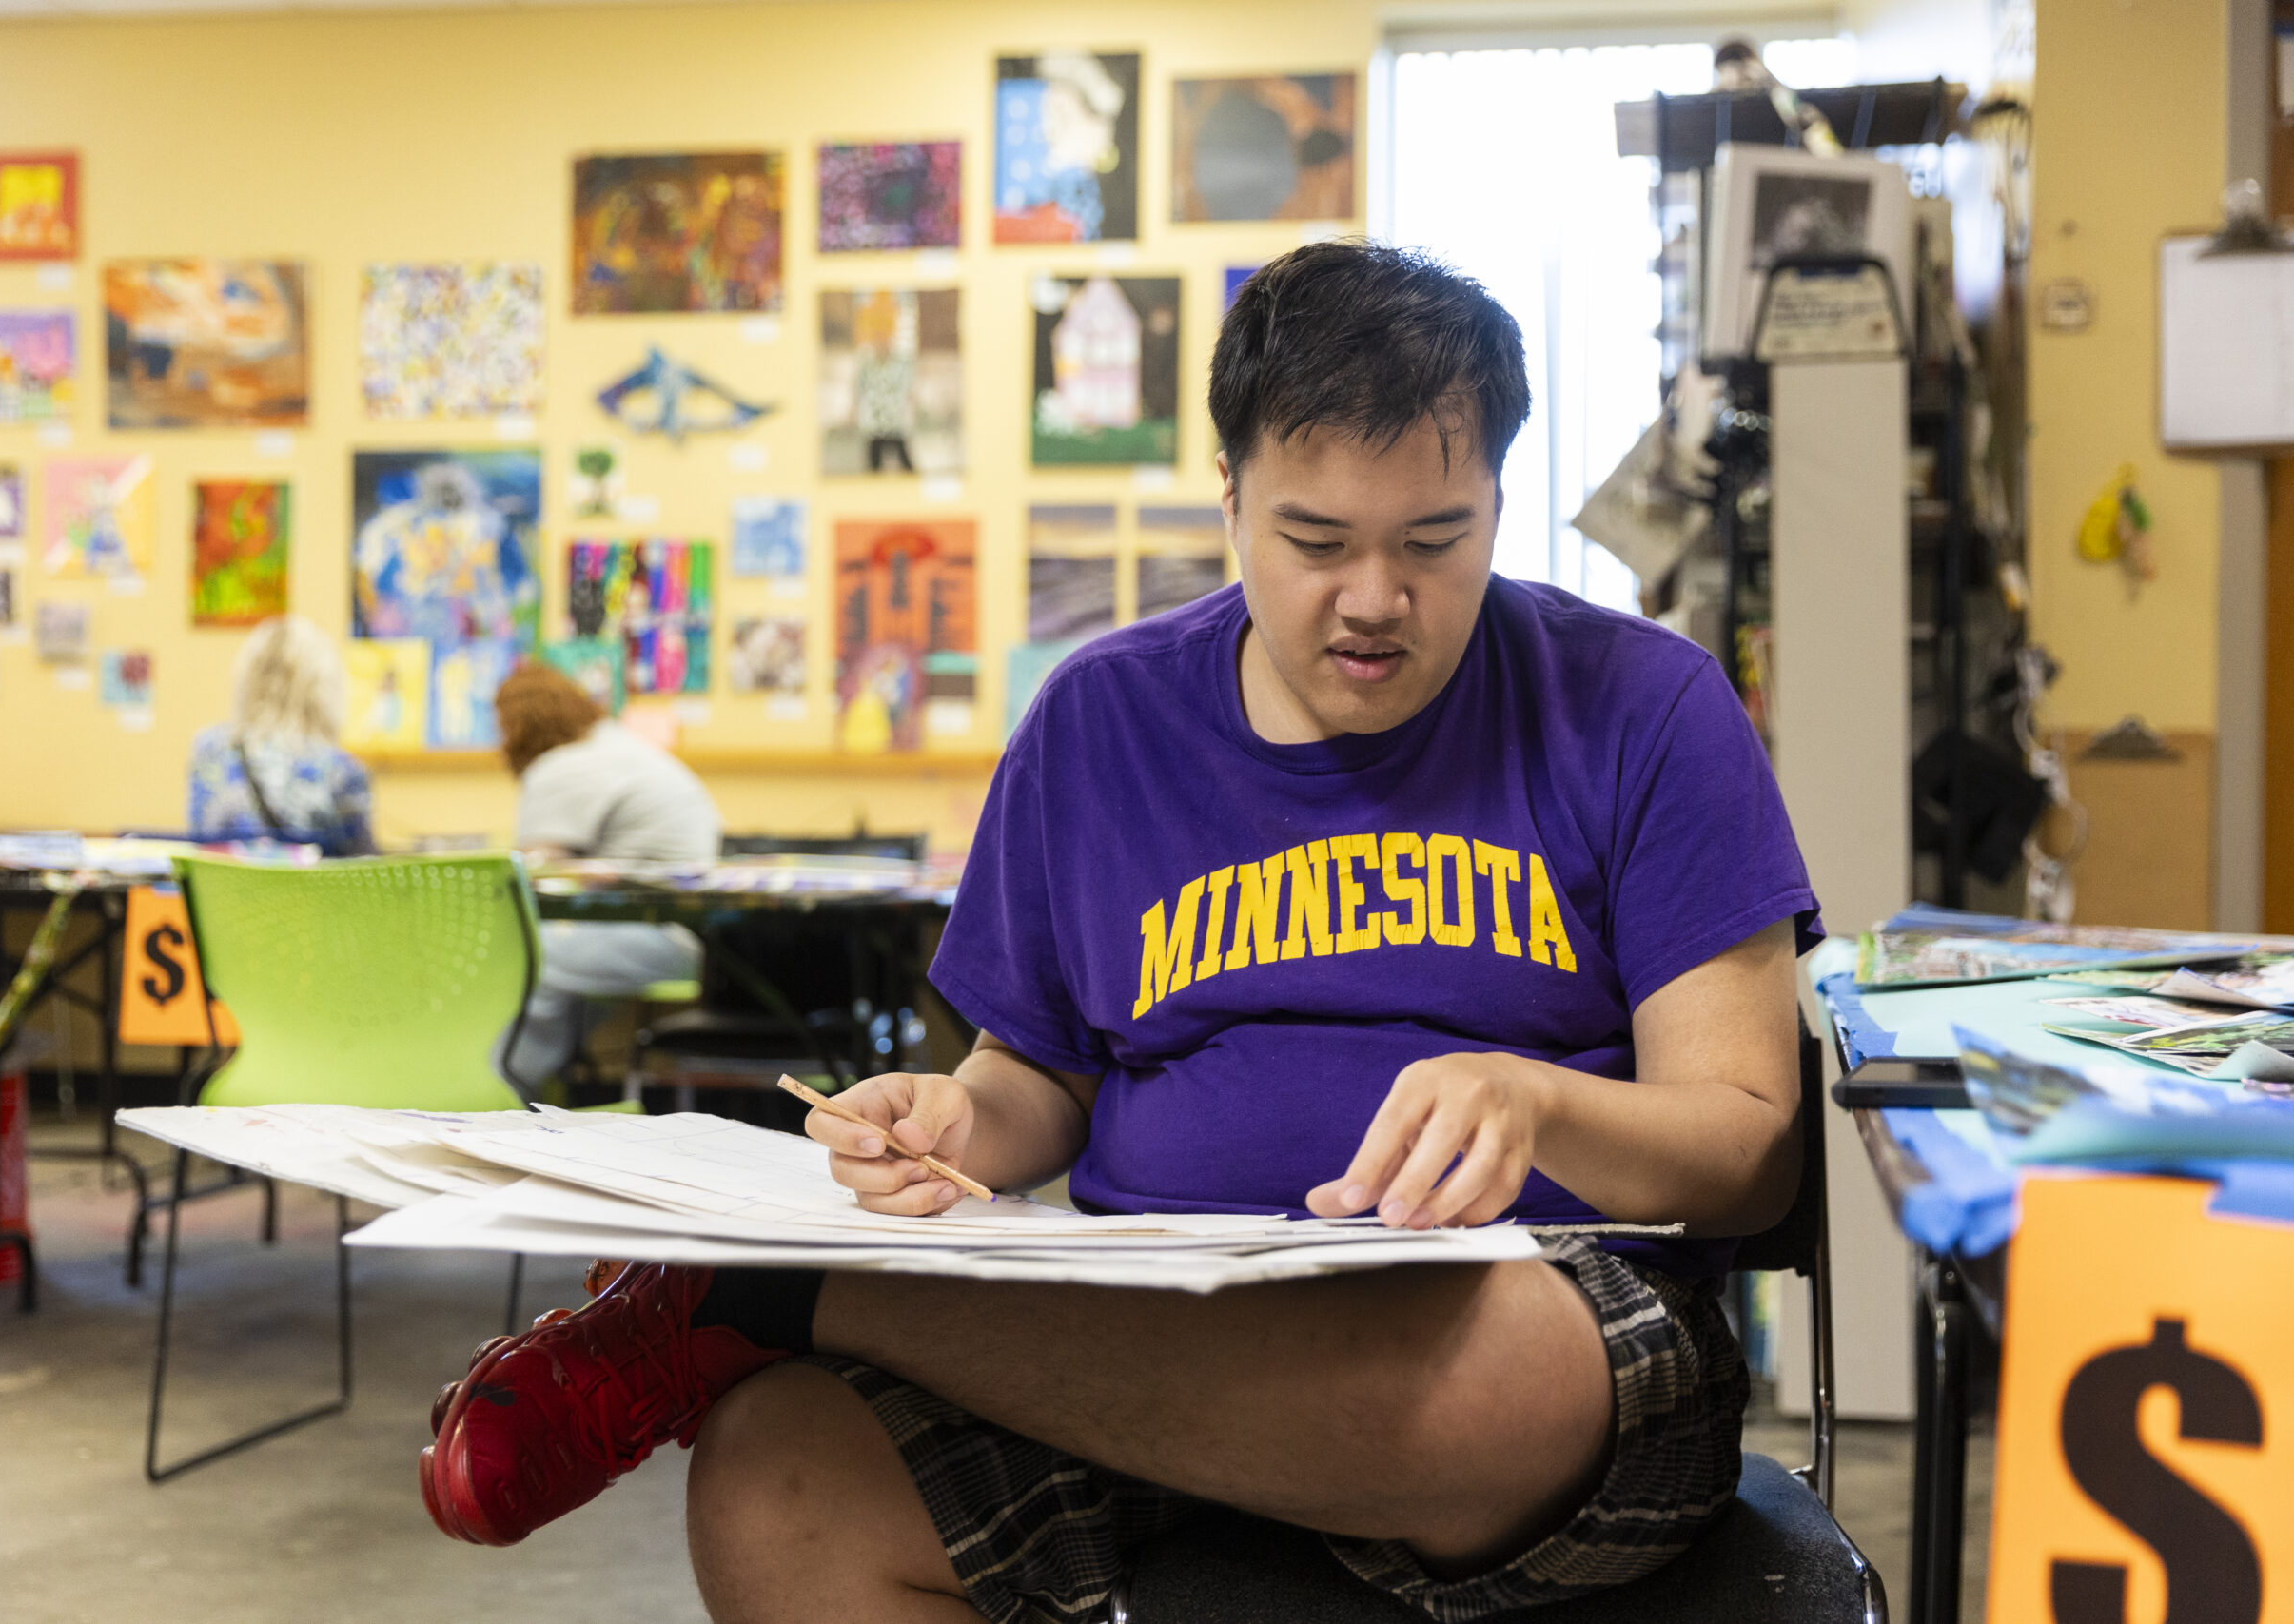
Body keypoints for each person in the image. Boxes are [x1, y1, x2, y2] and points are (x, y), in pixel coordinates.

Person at [422, 243, 1820, 1623]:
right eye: (1316, 540)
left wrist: (1539, 1104)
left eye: (1435, 540)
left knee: (1478, 1363)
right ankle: (775, 1303)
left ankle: (769, 1294)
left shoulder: (1641, 704)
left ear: (1501, 502)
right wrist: (949, 1122)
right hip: (1149, 1324)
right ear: (1227, 492)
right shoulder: (1101, 720)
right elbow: (1037, 1088)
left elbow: (1748, 1151)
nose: (1376, 597)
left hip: (1536, 1349)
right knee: (774, 1475)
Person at [495, 660, 722, 1089]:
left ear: (519, 726)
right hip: (697, 937)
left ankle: (491, 1095)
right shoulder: (616, 745)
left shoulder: (563, 766)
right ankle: (535, 1089)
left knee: (522, 955)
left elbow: (528, 874)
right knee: (547, 964)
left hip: (660, 931)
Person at [186, 616, 374, 855]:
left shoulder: (207, 752)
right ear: (322, 687)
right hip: (308, 893)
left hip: (225, 893)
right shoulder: (341, 771)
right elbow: (366, 878)